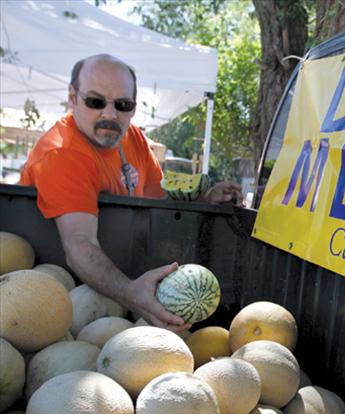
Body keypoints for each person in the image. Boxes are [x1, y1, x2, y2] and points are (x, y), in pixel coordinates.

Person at [19, 54, 242, 332]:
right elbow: (78, 245)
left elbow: (157, 202)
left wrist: (203, 199)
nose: (110, 115)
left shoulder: (132, 138)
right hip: (61, 295)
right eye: (95, 102)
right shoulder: (63, 154)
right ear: (73, 97)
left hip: (121, 285)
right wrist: (132, 293)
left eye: (123, 105)